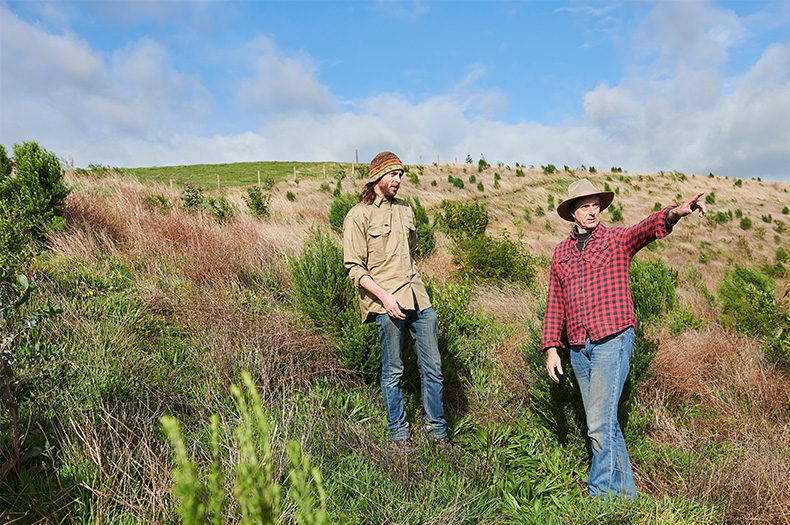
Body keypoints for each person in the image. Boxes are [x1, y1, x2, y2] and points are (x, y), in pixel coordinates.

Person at [542, 178, 706, 499]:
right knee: (603, 423)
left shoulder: (616, 238)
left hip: (612, 338)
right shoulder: (561, 252)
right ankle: (626, 498)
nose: (592, 212)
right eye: (584, 206)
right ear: (572, 212)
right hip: (578, 346)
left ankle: (599, 496)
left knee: (599, 425)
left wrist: (677, 212)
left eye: (595, 205)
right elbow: (555, 301)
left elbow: (647, 228)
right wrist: (551, 347)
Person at [343, 151, 447, 449]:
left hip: (419, 298)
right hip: (387, 303)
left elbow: (412, 252)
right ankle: (399, 435)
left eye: (401, 175)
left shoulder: (406, 209)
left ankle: (438, 432)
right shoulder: (358, 215)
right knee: (393, 371)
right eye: (393, 175)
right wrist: (385, 297)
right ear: (377, 177)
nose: (398, 180)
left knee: (433, 368)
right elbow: (354, 267)